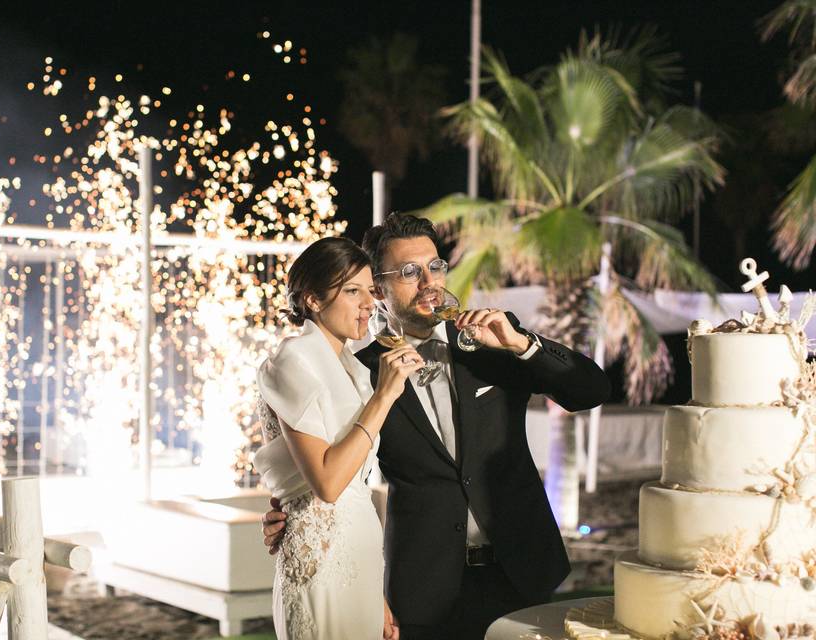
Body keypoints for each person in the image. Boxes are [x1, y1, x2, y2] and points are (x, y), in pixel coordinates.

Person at [262, 214, 611, 640]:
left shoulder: (493, 341)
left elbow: (591, 390)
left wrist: (520, 345)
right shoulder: (363, 371)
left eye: (435, 266)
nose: (428, 280)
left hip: (521, 571)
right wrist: (290, 509)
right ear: (381, 289)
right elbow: (332, 457)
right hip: (423, 587)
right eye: (409, 272)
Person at [254, 236, 423, 640]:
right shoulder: (293, 359)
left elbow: (356, 486)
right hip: (320, 563)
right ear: (312, 299)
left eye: (370, 291)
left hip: (362, 553)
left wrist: (377, 593)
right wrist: (385, 395)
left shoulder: (354, 370)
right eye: (352, 291)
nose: (368, 303)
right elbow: (329, 484)